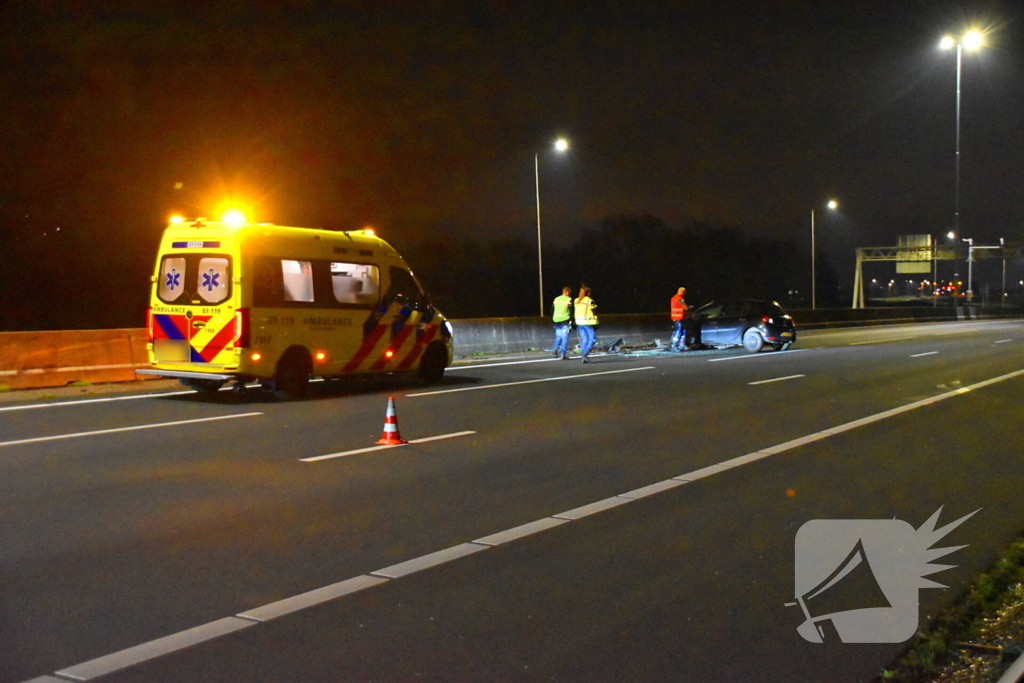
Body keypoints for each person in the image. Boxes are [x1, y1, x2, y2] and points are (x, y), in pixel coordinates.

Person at [574, 286, 598, 363]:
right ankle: (585, 354)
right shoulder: (590, 301)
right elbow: (595, 311)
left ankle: (583, 356)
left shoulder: (576, 301)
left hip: (579, 322)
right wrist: (597, 322)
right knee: (592, 339)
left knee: (584, 339)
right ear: (588, 293)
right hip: (588, 322)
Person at [551, 286, 574, 359]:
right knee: (565, 338)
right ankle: (563, 354)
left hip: (556, 320)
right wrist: (572, 320)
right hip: (565, 320)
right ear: (567, 292)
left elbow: (552, 310)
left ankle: (555, 350)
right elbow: (571, 311)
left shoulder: (556, 299)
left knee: (558, 337)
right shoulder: (569, 300)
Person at [670, 286, 690, 351]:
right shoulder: (680, 299)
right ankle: (675, 344)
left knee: (681, 330)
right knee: (679, 331)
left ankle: (681, 344)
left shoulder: (673, 298)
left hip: (674, 317)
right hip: (679, 318)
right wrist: (690, 307)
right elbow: (686, 308)